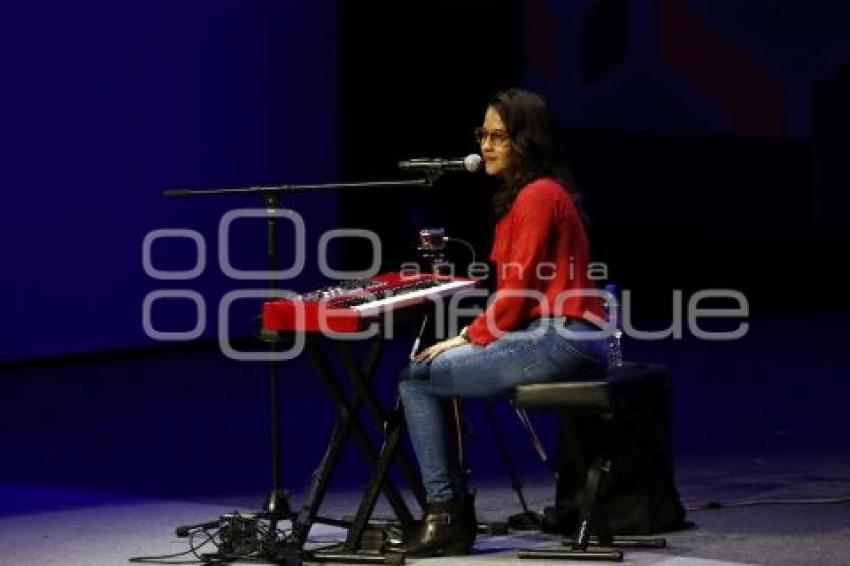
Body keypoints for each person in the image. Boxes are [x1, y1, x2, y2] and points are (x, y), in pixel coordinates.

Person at [390, 88, 609, 557]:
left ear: (525, 142)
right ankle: (449, 511)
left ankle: (446, 515)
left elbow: (519, 292)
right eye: (482, 134)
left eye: (498, 137)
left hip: (561, 337)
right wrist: (473, 342)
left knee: (417, 379)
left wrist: (467, 338)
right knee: (432, 371)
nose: (485, 145)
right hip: (557, 334)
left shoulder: (536, 197)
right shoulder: (528, 195)